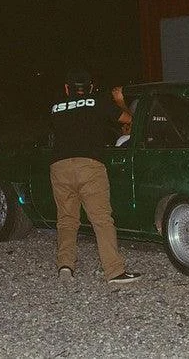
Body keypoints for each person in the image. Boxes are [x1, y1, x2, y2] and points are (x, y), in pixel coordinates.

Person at [48, 69, 141, 284]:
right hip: (89, 165)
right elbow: (131, 121)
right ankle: (114, 271)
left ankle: (65, 266)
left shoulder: (55, 107)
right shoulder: (98, 102)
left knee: (66, 219)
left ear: (66, 88)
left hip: (59, 166)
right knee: (101, 219)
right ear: (90, 88)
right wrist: (120, 102)